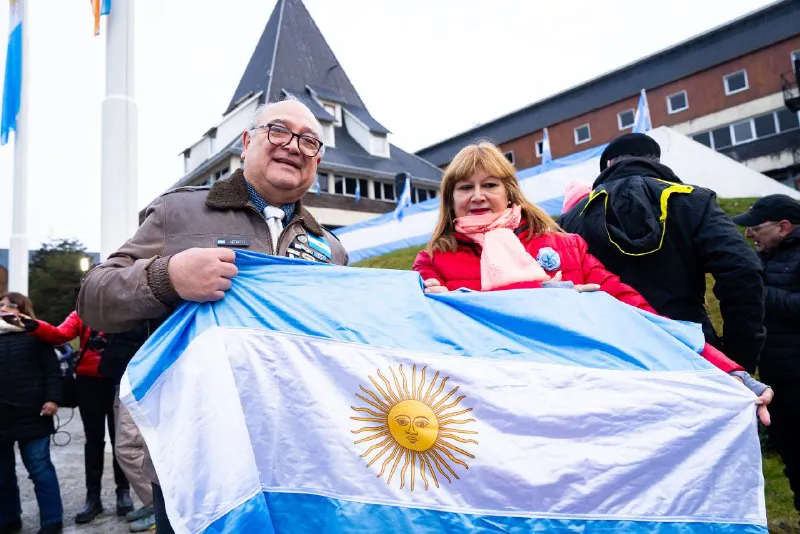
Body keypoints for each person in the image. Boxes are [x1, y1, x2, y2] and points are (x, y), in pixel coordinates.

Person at [77, 98, 348, 533]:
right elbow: (94, 298)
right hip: (197, 459)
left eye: (309, 141)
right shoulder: (178, 212)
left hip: (299, 462)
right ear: (247, 142)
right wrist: (168, 276)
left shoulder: (332, 250)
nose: (294, 146)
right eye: (278, 131)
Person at [413, 142, 771, 416]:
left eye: (489, 184)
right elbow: (410, 337)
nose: (477, 196)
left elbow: (638, 315)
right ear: (450, 198)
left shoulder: (567, 246)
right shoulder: (431, 262)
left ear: (509, 191)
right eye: (464, 187)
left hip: (570, 402)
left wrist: (728, 372)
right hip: (491, 409)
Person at [560, 133, 765, 373]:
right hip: (693, 353)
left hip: (611, 362)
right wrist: (739, 357)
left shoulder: (570, 220)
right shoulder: (694, 201)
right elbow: (743, 270)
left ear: (608, 165)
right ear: (655, 161)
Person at [25, 311, 134, 524]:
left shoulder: (123, 310)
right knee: (93, 441)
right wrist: (34, 325)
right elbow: (59, 334)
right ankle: (93, 498)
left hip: (118, 381)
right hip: (88, 383)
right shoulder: (82, 314)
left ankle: (123, 492)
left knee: (120, 440)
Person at [732, 194, 800, 520]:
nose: (749, 234)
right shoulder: (766, 256)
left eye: (756, 227)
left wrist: (757, 290)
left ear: (784, 227)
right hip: (779, 384)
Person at [0, 293, 64, 534]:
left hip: (33, 413)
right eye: (1, 305)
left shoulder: (36, 335)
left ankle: (51, 521)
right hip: (1, 416)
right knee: (1, 474)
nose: (4, 308)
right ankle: (8, 518)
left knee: (40, 469)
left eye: (10, 305)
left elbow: (52, 371)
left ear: (23, 310)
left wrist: (53, 399)